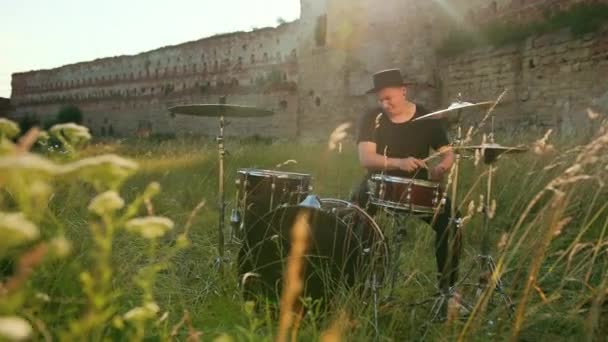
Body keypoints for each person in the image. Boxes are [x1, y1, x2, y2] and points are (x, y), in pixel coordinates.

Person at [352, 68, 461, 294]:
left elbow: (448, 153)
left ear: (403, 91)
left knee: (452, 221)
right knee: (353, 218)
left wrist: (442, 167)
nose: (384, 104)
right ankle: (360, 280)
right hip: (377, 183)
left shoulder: (427, 118)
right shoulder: (373, 118)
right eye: (380, 99)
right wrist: (399, 163)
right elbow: (366, 158)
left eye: (388, 98)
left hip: (417, 187)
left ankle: (447, 291)